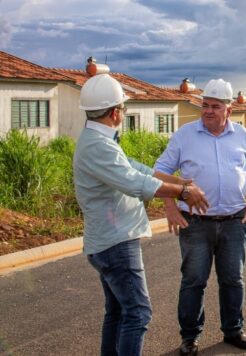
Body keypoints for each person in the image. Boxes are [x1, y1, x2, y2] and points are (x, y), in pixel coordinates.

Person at [74, 74, 208, 356]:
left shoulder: (99, 141)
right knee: (138, 313)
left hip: (107, 241)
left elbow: (140, 170)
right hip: (116, 243)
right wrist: (182, 194)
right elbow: (136, 184)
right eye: (122, 108)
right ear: (115, 112)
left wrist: (181, 183)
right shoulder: (99, 147)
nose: (123, 112)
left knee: (118, 312)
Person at [154, 78, 246, 355]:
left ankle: (233, 330)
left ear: (228, 109)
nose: (208, 111)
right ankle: (190, 337)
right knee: (193, 280)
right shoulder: (185, 135)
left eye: (215, 106)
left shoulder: (243, 136)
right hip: (195, 224)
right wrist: (170, 207)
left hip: (234, 222)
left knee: (233, 279)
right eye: (204, 105)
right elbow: (159, 173)